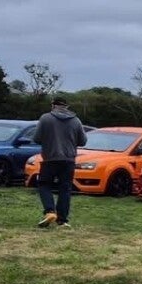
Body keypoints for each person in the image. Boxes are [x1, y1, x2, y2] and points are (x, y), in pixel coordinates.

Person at [33, 97, 86, 229]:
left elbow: (36, 138)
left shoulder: (45, 118)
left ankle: (50, 211)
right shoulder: (76, 120)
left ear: (53, 106)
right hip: (68, 160)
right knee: (65, 188)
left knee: (44, 184)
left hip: (50, 158)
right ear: (67, 107)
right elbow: (83, 141)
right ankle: (62, 220)